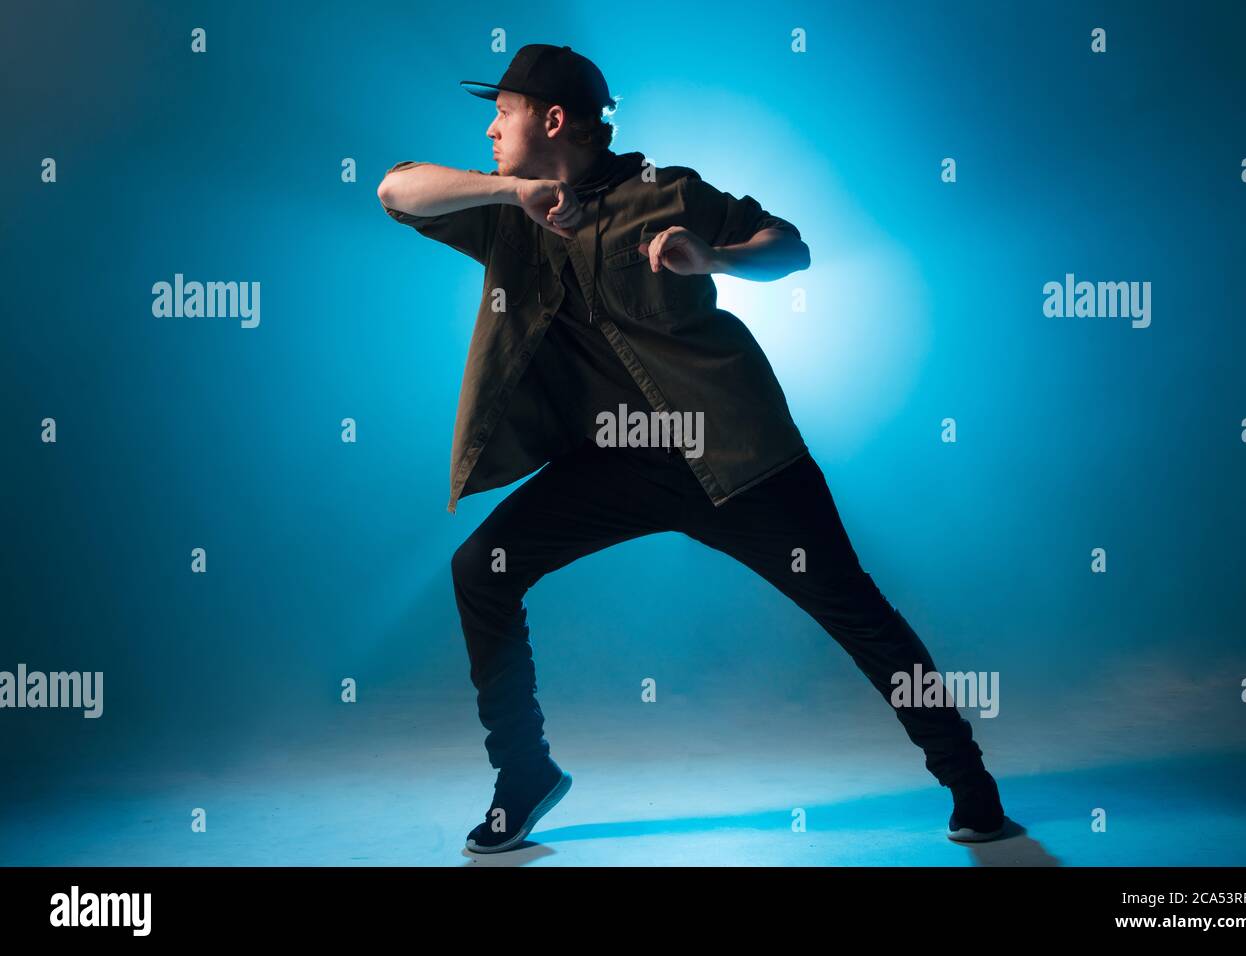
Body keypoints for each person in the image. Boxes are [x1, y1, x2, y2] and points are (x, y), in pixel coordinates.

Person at [377, 43, 1006, 854]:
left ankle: (970, 782)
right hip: (613, 467)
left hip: (735, 457)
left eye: (503, 111)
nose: (491, 128)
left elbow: (791, 246)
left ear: (553, 118)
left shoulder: (668, 193)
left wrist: (716, 258)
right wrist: (514, 191)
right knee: (480, 570)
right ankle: (523, 774)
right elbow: (395, 189)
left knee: (856, 611)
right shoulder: (505, 211)